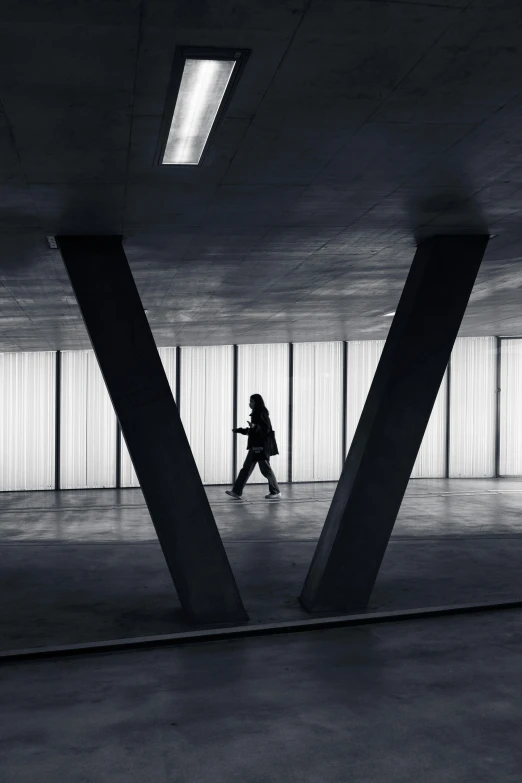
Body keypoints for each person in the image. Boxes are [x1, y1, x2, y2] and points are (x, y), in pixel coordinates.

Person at [226, 393, 281, 500]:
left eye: (251, 401)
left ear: (256, 402)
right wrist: (240, 430)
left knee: (265, 469)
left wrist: (255, 426)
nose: (249, 403)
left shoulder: (261, 413)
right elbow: (253, 431)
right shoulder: (256, 413)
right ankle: (237, 491)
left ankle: (275, 491)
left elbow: (266, 429)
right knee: (246, 469)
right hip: (255, 446)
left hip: (261, 447)